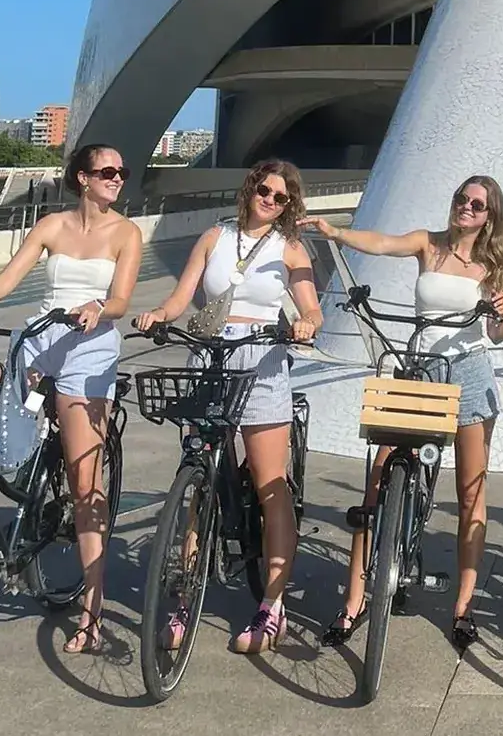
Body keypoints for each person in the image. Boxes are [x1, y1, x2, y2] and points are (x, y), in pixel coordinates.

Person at [0, 142, 143, 654]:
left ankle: (91, 611)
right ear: (82, 178)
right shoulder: (50, 226)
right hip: (39, 340)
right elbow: (3, 285)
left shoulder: (127, 233)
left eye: (121, 172)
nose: (117, 178)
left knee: (86, 482)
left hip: (91, 349)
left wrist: (100, 306)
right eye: (107, 171)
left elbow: (124, 300)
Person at [309, 177, 503, 650]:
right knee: (377, 483)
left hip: (468, 374)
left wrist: (500, 315)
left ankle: (463, 608)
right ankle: (354, 602)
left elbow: (498, 333)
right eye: (461, 199)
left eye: (477, 204)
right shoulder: (429, 244)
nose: (466, 207)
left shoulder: (494, 264)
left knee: (470, 495)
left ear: (489, 216)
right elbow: (383, 243)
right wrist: (338, 234)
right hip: (419, 370)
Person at [134, 158, 323, 653]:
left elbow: (311, 305)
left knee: (270, 484)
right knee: (198, 480)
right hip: (211, 354)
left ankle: (272, 608)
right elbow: (182, 299)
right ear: (250, 188)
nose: (271, 200)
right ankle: (184, 595)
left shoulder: (290, 248)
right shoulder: (215, 237)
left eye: (281, 197)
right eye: (265, 190)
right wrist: (157, 314)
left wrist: (305, 322)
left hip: (262, 356)